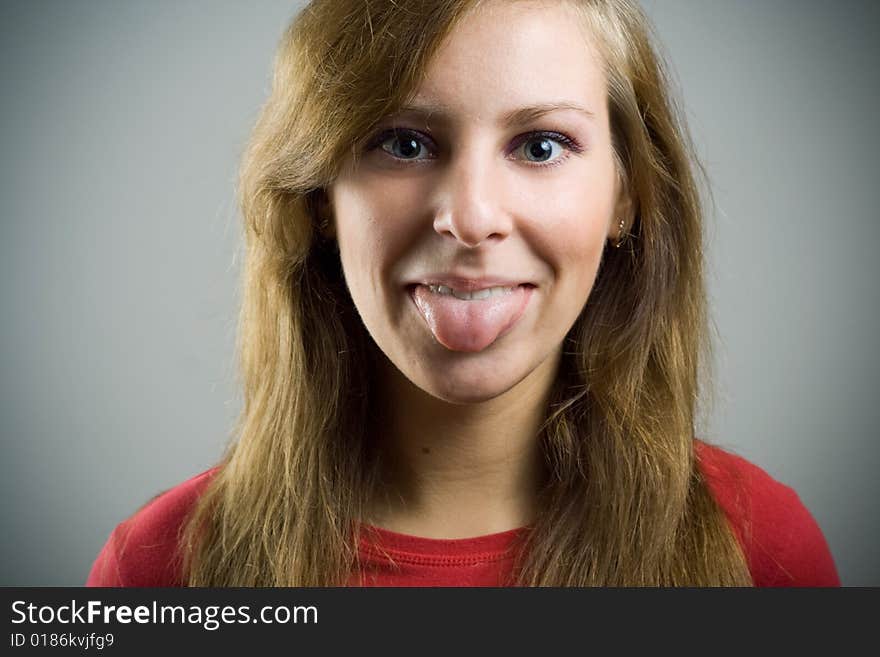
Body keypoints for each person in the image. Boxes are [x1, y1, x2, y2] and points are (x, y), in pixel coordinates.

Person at [87, 0, 840, 587]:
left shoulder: (760, 549)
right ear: (320, 200)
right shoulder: (160, 569)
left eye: (541, 145)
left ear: (626, 196)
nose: (471, 217)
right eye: (403, 143)